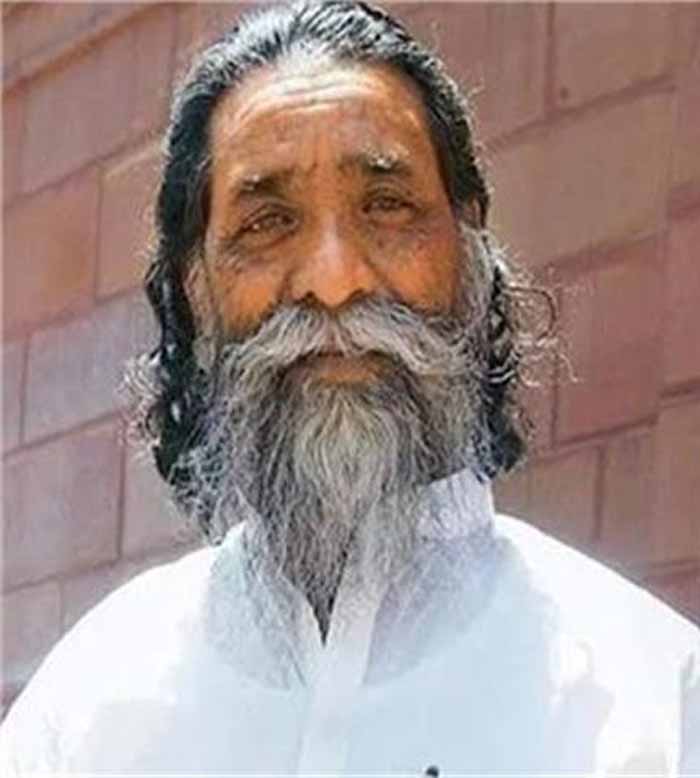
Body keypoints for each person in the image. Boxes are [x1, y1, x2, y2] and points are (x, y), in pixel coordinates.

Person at [2, 1, 698, 774]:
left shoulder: (656, 703)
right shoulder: (84, 713)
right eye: (267, 221)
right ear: (196, 287)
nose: (334, 282)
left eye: (387, 206)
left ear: (471, 246)